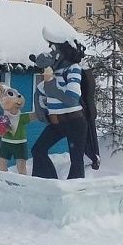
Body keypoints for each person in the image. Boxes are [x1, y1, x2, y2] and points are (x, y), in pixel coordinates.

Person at [30, 29, 88, 180]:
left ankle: (75, 190)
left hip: (74, 121)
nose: (51, 52)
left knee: (76, 160)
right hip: (57, 123)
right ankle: (46, 181)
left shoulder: (73, 69)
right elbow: (42, 90)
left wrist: (52, 87)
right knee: (38, 150)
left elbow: (72, 98)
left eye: (53, 48)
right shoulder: (54, 71)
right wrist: (39, 105)